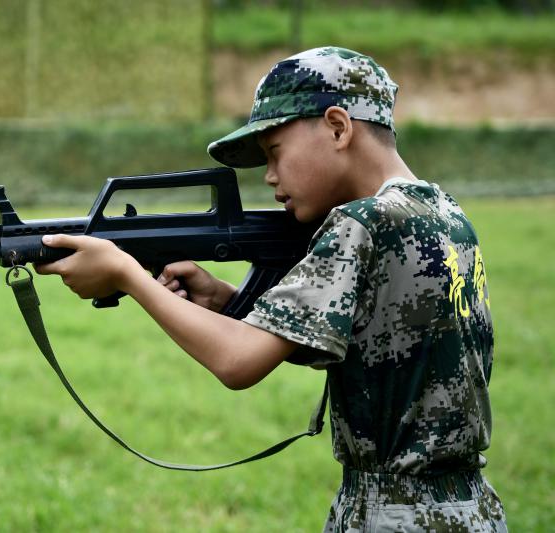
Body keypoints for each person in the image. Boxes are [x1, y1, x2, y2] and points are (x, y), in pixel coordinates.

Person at [35, 47, 507, 532]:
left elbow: (237, 364)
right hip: (469, 508)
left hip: (392, 515)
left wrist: (126, 274)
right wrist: (225, 300)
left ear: (339, 127)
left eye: (274, 152)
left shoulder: (360, 224)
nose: (269, 176)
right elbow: (381, 346)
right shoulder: (445, 214)